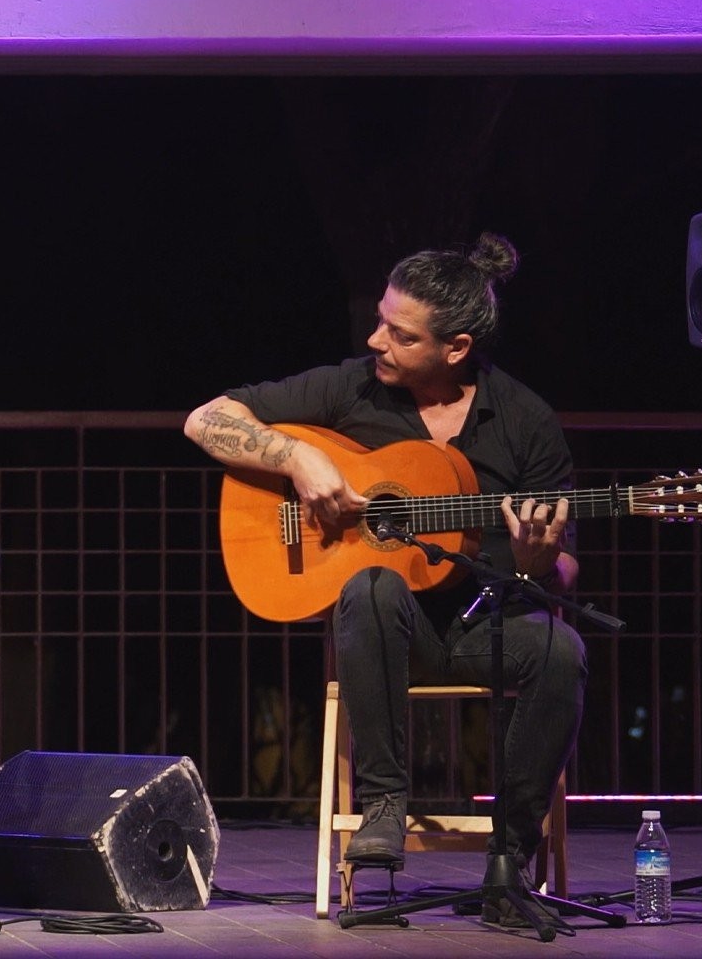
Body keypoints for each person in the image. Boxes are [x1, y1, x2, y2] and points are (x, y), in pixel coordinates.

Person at [183, 233, 583, 891]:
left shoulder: (524, 421)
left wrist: (541, 563)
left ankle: (511, 855)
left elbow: (567, 574)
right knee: (372, 584)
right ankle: (383, 807)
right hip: (387, 637)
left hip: (488, 626)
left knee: (562, 651)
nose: (376, 341)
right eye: (379, 321)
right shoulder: (355, 389)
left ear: (455, 349)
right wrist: (297, 458)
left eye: (399, 334)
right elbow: (205, 419)